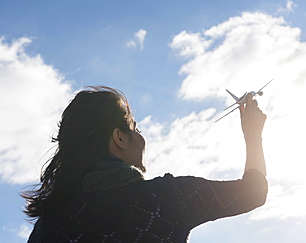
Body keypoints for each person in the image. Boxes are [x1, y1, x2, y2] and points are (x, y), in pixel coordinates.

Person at [22, 86, 268, 243]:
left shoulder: (47, 227)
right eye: (135, 129)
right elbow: (253, 192)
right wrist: (253, 135)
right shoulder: (165, 199)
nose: (142, 139)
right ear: (119, 138)